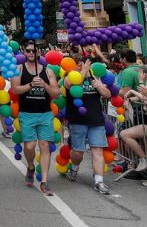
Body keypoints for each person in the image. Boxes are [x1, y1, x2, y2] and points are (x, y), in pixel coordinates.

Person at [10, 40, 59, 195]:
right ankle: (31, 167)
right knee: (30, 147)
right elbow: (15, 89)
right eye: (28, 51)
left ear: (39, 53)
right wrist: (30, 85)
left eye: (34, 51)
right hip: (27, 114)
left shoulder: (48, 71)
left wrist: (44, 85)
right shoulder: (19, 69)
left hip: (45, 114)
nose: (31, 53)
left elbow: (56, 93)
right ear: (24, 52)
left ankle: (44, 181)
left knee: (44, 146)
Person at [64, 55, 113, 195]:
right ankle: (74, 168)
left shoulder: (94, 77)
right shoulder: (68, 77)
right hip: (78, 120)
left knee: (97, 150)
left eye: (84, 64)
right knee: (78, 152)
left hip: (96, 119)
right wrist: (84, 71)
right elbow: (70, 85)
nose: (82, 66)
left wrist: (99, 86)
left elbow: (107, 94)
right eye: (79, 65)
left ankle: (99, 181)